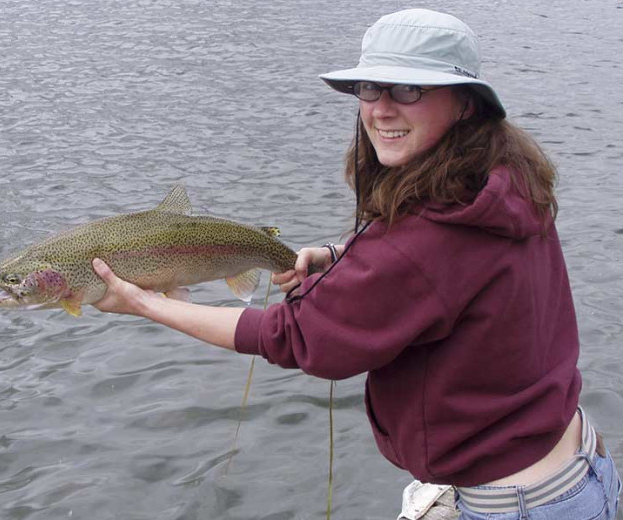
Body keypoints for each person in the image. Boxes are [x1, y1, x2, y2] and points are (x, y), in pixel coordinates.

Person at [91, 8, 621, 520]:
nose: (382, 108)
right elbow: (445, 273)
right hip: (578, 462)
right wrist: (343, 256)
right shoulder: (502, 179)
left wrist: (143, 301)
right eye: (370, 88)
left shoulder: (426, 240)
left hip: (522, 508)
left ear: (465, 104)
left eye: (409, 89)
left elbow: (290, 336)